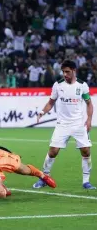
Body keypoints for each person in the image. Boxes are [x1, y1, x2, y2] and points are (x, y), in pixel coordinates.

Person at [33, 60, 95, 189]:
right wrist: (42, 112)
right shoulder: (58, 85)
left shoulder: (82, 85)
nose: (65, 74)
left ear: (74, 71)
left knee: (86, 150)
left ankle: (86, 181)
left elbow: (89, 103)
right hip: (62, 124)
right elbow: (51, 102)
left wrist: (89, 120)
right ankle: (44, 178)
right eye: (63, 72)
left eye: (67, 72)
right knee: (53, 151)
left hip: (78, 124)